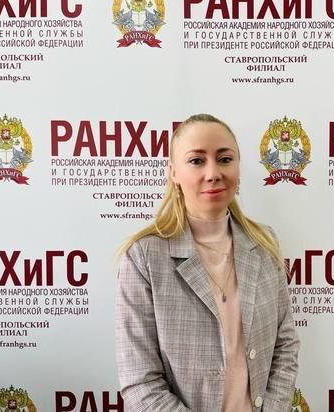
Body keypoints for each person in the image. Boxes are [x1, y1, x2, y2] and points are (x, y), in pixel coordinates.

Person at [116, 114, 299, 411]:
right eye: (197, 161)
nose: (213, 173)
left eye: (225, 159)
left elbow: (285, 344)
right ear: (174, 173)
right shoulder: (144, 257)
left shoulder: (264, 243)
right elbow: (140, 382)